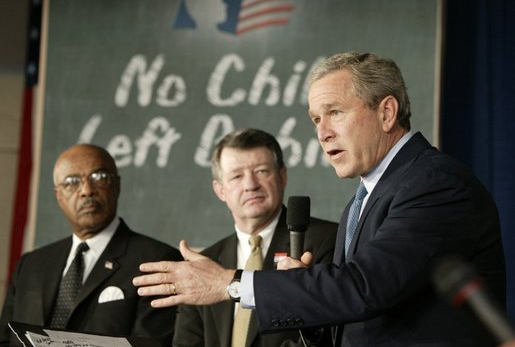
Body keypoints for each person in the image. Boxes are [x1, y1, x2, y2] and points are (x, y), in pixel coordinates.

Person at [133, 52, 507, 347]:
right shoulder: (362, 200)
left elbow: (365, 287)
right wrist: (311, 310)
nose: (322, 133)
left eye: (335, 113)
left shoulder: (435, 184)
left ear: (387, 112)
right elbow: (357, 315)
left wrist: (230, 284)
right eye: (315, 119)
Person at [0, 144, 182, 347]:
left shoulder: (157, 261)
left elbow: (152, 343)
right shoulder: (30, 265)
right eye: (72, 182)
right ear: (58, 195)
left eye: (99, 178)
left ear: (117, 185)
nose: (86, 191)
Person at [172, 128, 338, 347]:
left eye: (261, 171)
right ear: (220, 190)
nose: (250, 185)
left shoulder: (326, 240)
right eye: (236, 176)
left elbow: (325, 336)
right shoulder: (206, 264)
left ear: (282, 177)